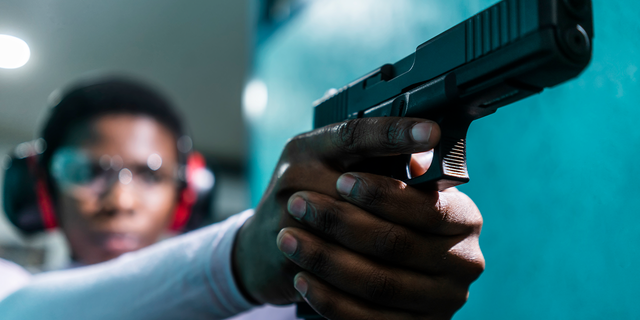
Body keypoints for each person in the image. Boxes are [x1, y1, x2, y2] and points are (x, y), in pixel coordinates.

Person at [0, 77, 484, 319]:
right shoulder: (11, 289)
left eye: (150, 175)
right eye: (88, 172)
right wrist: (238, 259)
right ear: (40, 188)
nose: (121, 200)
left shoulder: (274, 306)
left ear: (187, 193)